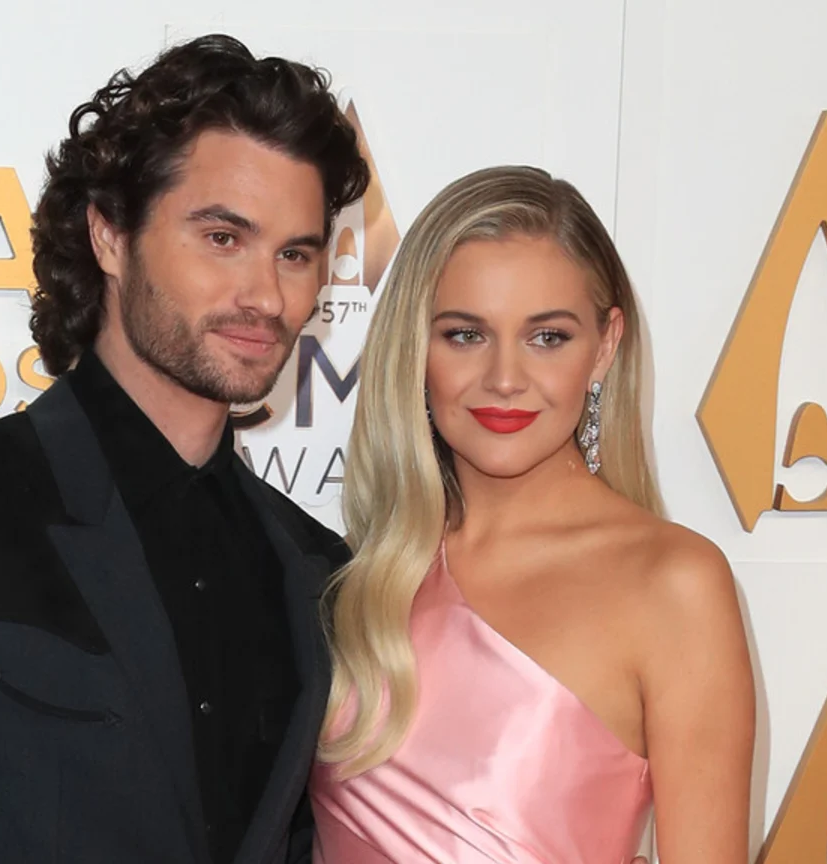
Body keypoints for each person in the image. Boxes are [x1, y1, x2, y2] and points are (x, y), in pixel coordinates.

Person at [0, 34, 369, 864]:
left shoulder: (314, 569)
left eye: (295, 254)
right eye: (223, 238)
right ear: (110, 237)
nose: (264, 295)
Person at [309, 166, 755, 863]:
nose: (506, 379)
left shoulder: (672, 583)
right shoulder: (347, 577)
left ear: (605, 347)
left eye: (547, 337)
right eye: (464, 335)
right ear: (414, 349)